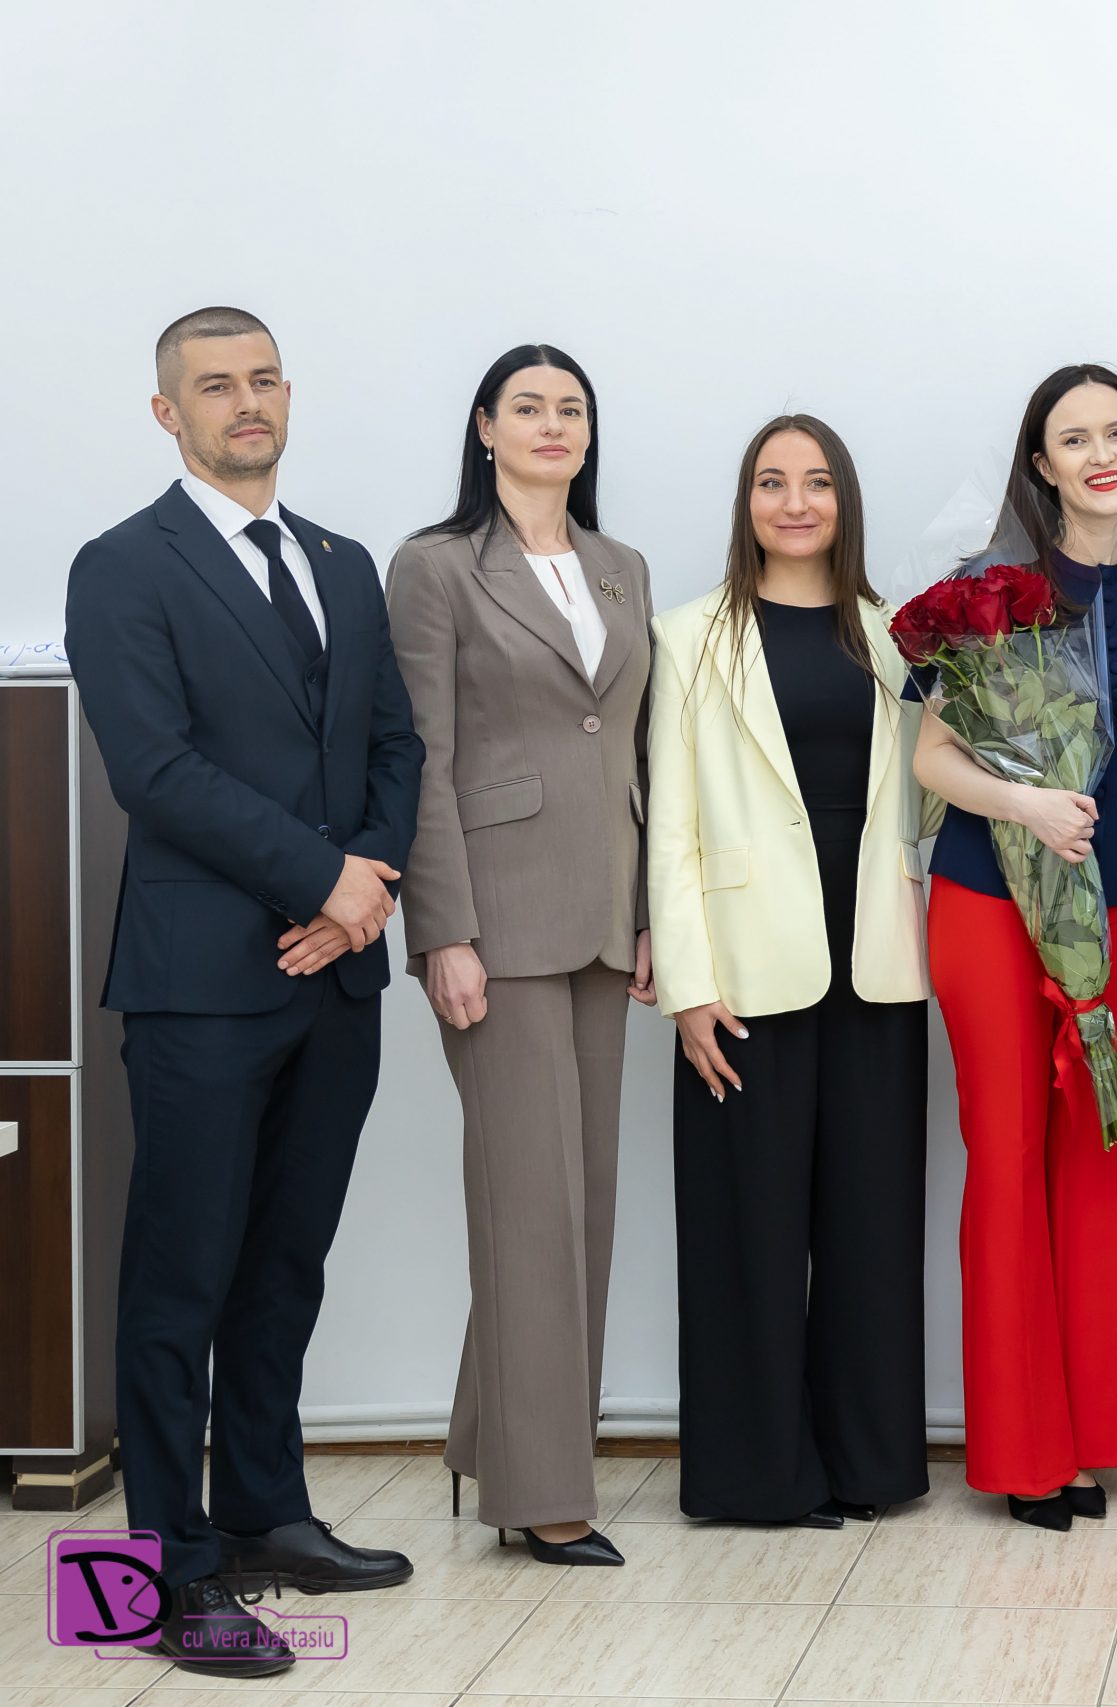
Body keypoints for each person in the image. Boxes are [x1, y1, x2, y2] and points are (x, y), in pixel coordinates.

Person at [63, 306, 422, 1676]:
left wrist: (363, 886)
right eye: (215, 385)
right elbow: (153, 770)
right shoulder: (122, 566)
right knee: (181, 1278)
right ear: (169, 412)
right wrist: (324, 879)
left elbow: (394, 743)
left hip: (336, 976)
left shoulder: (341, 561)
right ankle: (163, 1576)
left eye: (263, 378)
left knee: (284, 1264)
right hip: (204, 982)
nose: (246, 402)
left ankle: (266, 1509)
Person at [386, 344, 654, 1566]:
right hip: (495, 923)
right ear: (485, 427)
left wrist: (647, 914)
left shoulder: (619, 567)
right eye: (529, 408)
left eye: (572, 409)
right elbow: (422, 759)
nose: (554, 425)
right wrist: (442, 930)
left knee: (576, 1203)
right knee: (530, 1205)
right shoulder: (436, 567)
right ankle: (544, 1497)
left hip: (601, 917)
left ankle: (486, 1440)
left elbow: (630, 750)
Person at [911, 365, 1117, 1528]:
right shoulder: (989, 590)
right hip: (986, 902)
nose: (1100, 453)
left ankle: (1092, 1432)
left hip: (1113, 907)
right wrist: (1023, 805)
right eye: (1074, 438)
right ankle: (1024, 1452)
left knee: (1095, 1152)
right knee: (1010, 1153)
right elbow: (931, 758)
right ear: (1041, 463)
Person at [646, 414, 933, 1524]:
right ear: (747, 503)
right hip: (742, 975)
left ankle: (868, 1466)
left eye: (816, 482)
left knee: (872, 1230)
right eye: (772, 482)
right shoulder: (690, 637)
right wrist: (687, 985)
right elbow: (671, 825)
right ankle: (755, 1476)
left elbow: (927, 800)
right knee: (747, 1233)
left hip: (877, 962)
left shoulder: (901, 635)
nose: (796, 502)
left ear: (844, 499)